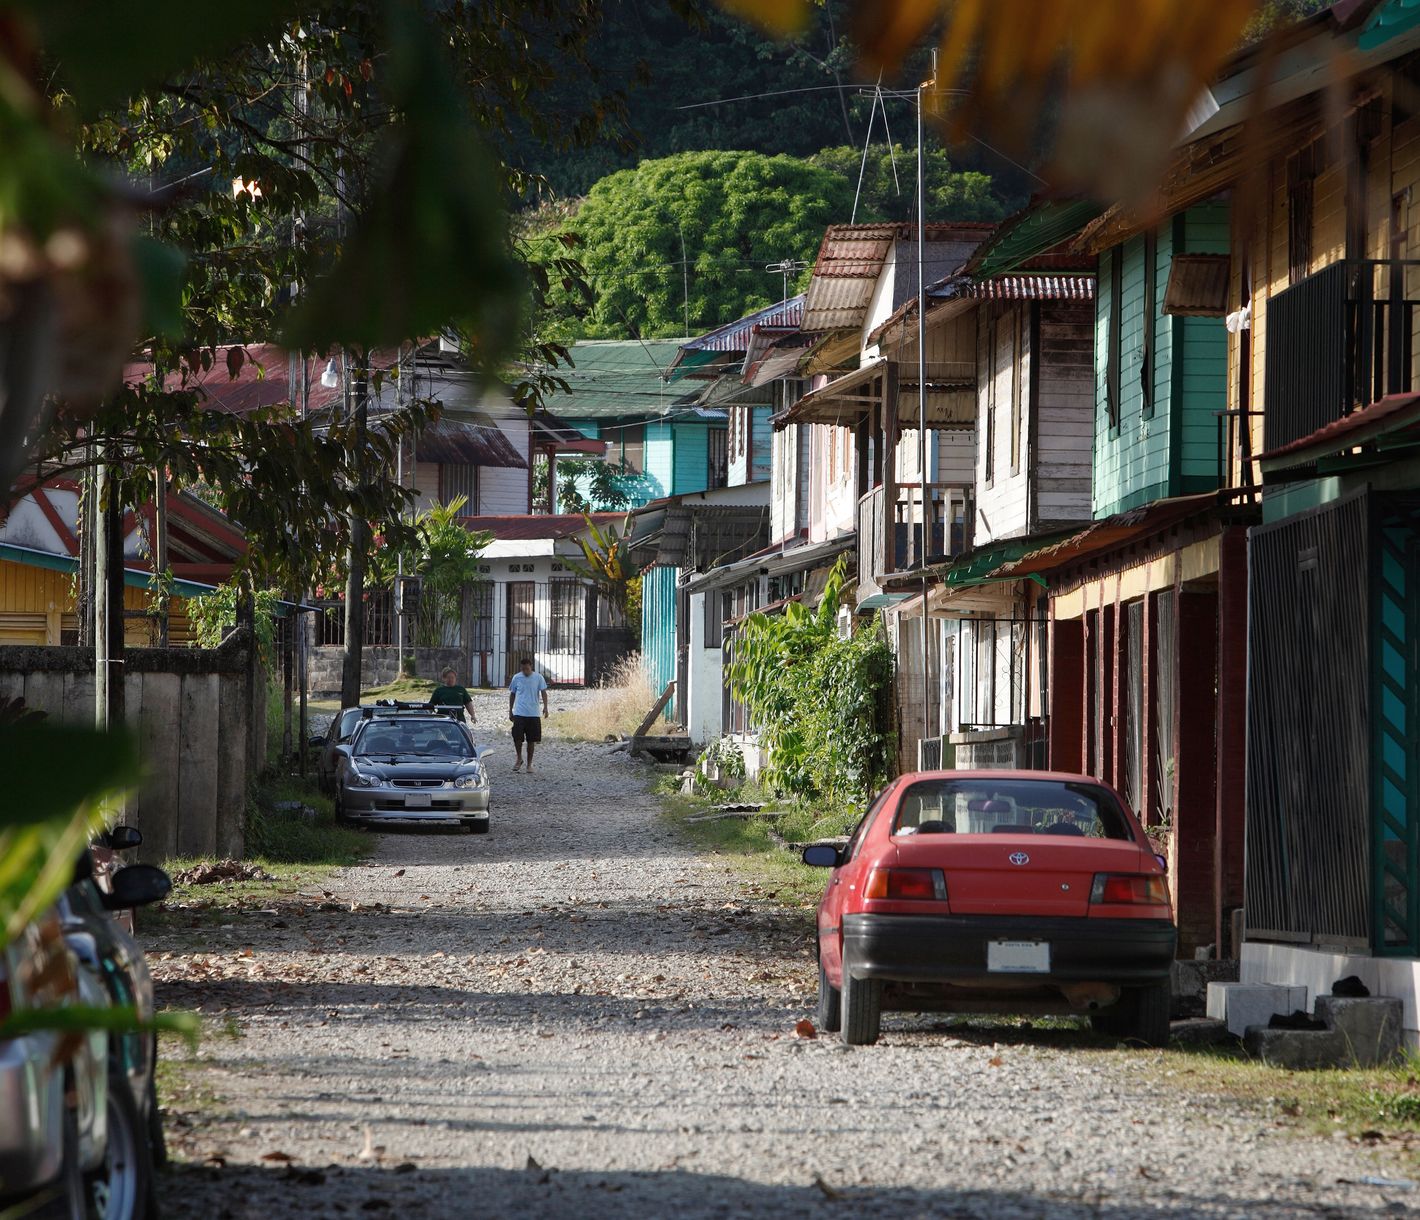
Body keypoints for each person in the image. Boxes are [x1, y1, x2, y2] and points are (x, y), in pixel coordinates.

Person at [507, 657, 549, 773]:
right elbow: (512, 694)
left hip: (533, 713)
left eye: (527, 668)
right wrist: (510, 710)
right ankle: (519, 758)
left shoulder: (538, 677)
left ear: (531, 667)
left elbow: (544, 692)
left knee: (531, 740)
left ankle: (529, 764)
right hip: (519, 713)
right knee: (517, 738)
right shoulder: (517, 678)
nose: (525, 671)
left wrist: (545, 707)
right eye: (523, 669)